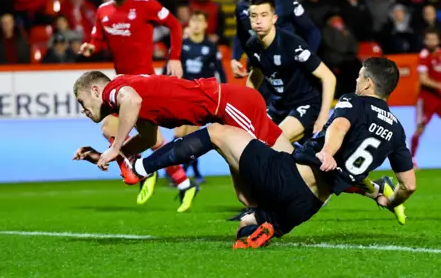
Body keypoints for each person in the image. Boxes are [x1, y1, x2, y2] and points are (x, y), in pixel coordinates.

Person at [86, 58, 413, 248]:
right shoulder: (397, 128)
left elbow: (339, 127)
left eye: (359, 77)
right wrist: (389, 200)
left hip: (265, 148)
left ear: (368, 83)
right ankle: (267, 223)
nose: (355, 80)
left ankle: (143, 168)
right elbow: (409, 185)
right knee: (246, 211)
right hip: (308, 206)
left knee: (216, 134)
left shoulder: (353, 101)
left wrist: (327, 150)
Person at [72, 71, 295, 208]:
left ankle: (309, 191)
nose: (84, 110)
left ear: (95, 90)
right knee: (247, 196)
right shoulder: (126, 97)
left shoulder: (114, 91)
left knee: (272, 173)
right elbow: (148, 139)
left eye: (82, 103)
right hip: (226, 110)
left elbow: (132, 99)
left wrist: (117, 146)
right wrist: (104, 155)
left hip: (230, 105)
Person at [78, 0, 195, 212]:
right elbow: (97, 40)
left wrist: (174, 56)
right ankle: (180, 182)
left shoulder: (146, 5)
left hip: (143, 86)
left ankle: (147, 171)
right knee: (148, 137)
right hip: (119, 86)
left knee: (118, 129)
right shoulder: (103, 11)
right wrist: (90, 47)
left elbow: (175, 24)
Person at [245, 0, 337, 143]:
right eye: (254, 16)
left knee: (274, 141)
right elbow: (256, 73)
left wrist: (323, 116)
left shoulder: (292, 44)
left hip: (304, 104)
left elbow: (329, 77)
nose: (258, 20)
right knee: (249, 142)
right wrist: (248, 105)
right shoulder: (251, 46)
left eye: (264, 15)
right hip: (277, 106)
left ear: (273, 18)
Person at [231, 0, 321, 79]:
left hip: (287, 69)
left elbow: (312, 31)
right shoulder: (241, 6)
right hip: (259, 70)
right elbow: (241, 35)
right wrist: (235, 58)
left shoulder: (285, 1)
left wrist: (307, 59)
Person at [165, 11, 227, 182]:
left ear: (206, 25)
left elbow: (220, 71)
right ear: (189, 24)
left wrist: (224, 92)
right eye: (194, 20)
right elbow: (167, 69)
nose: (197, 24)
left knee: (189, 133)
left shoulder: (211, 47)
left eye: (200, 20)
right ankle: (185, 171)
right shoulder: (180, 45)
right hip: (181, 95)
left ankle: (179, 172)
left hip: (201, 96)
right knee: (180, 134)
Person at [411, 28, 441, 168]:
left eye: (433, 39)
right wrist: (439, 85)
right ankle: (411, 159)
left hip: (439, 97)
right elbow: (423, 79)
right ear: (425, 41)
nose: (431, 41)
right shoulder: (423, 56)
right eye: (428, 39)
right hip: (427, 97)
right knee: (420, 128)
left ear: (438, 40)